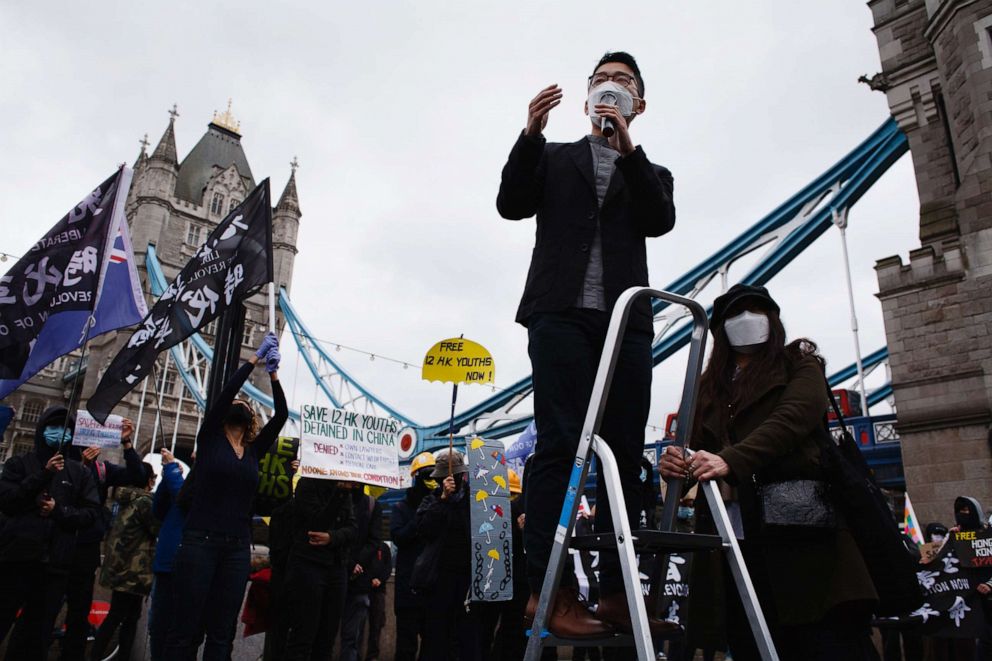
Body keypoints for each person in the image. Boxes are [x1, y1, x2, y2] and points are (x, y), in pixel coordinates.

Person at [496, 50, 676, 637]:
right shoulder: (551, 157)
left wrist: (629, 151)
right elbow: (510, 205)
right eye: (602, 81)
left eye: (623, 83)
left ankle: (621, 591)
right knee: (560, 448)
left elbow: (659, 219)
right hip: (560, 318)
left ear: (639, 104)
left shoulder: (649, 170)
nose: (612, 88)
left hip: (625, 325)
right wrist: (528, 134)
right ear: (586, 98)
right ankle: (550, 592)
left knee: (626, 456)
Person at [659, 284, 878, 660]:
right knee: (750, 641)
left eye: (756, 309)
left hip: (802, 534)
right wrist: (675, 465)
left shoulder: (801, 364)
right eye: (734, 313)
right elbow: (692, 449)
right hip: (732, 542)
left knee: (826, 641)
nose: (746, 319)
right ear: (719, 330)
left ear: (773, 319)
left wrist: (732, 459)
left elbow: (793, 419)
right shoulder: (706, 387)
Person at [164, 332, 288, 660]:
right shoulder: (209, 441)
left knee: (222, 632)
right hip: (199, 542)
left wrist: (274, 374)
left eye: (247, 406)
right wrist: (254, 360)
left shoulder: (253, 451)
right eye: (238, 404)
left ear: (251, 422)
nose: (241, 405)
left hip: (236, 548)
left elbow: (282, 417)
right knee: (185, 628)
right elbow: (227, 393)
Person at [0, 406, 100, 661]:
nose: (61, 433)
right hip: (15, 559)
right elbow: (8, 502)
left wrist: (58, 511)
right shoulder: (19, 464)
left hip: (55, 565)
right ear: (42, 430)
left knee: (35, 637)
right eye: (55, 428)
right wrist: (43, 475)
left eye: (67, 429)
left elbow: (90, 515)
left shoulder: (80, 473)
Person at [60, 417, 144, 661]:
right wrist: (80, 468)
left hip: (86, 548)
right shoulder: (60, 465)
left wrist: (126, 442)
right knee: (47, 607)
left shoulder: (103, 469)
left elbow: (138, 476)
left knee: (79, 612)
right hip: (57, 546)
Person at [415, 449, 481, 661]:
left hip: (467, 580)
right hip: (438, 579)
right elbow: (424, 530)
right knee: (436, 637)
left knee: (465, 637)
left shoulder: (473, 502)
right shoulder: (431, 501)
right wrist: (443, 500)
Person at [89, 461, 159, 661]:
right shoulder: (145, 502)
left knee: (126, 616)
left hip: (120, 568)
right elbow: (158, 527)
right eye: (153, 477)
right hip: (134, 571)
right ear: (147, 480)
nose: (154, 481)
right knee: (122, 618)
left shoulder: (126, 499)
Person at [281, 477, 356, 660]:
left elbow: (353, 528)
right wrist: (339, 492)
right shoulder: (307, 484)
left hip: (336, 568)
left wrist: (332, 537)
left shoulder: (345, 489)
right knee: (303, 637)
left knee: (327, 639)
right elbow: (317, 523)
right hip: (308, 566)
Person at [391, 451, 437, 661]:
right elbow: (400, 537)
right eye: (426, 474)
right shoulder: (401, 507)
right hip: (407, 590)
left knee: (432, 646)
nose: (430, 480)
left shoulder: (440, 506)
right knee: (405, 648)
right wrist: (420, 514)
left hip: (433, 589)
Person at [148, 447, 186, 661]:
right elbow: (158, 511)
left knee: (179, 629)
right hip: (166, 566)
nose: (192, 455)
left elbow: (185, 500)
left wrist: (171, 469)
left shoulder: (209, 486)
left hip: (190, 567)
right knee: (158, 626)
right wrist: (165, 480)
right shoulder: (180, 484)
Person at [339, 484, 383, 661]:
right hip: (337, 573)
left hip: (359, 580)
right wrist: (350, 563)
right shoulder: (338, 500)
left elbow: (374, 540)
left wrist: (358, 563)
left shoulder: (372, 505)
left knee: (352, 637)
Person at [364, 539, 392, 661]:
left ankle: (372, 656)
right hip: (362, 588)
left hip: (379, 591)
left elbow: (388, 567)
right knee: (358, 624)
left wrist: (380, 580)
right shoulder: (364, 544)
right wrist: (369, 579)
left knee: (376, 625)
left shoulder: (384, 547)